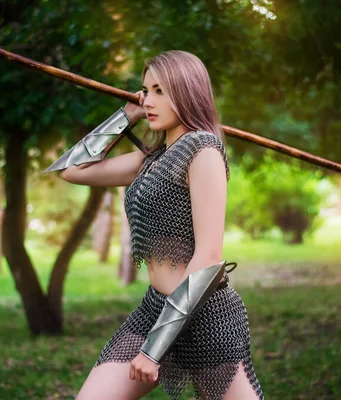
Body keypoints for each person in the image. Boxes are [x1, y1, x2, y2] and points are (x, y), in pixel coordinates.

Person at [52, 50, 264, 400]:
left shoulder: (204, 151)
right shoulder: (151, 158)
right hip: (154, 309)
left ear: (187, 92)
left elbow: (209, 258)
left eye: (160, 91)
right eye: (145, 90)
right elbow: (72, 171)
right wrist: (125, 116)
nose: (148, 100)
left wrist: (154, 349)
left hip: (206, 317)